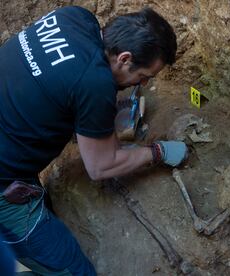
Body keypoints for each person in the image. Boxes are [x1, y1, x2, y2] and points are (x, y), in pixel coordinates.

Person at [0, 5, 187, 275]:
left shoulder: (73, 17)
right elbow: (101, 166)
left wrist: (94, 115)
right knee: (76, 272)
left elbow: (58, 82)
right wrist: (157, 152)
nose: (141, 85)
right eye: (143, 77)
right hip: (4, 182)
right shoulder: (94, 84)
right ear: (124, 58)